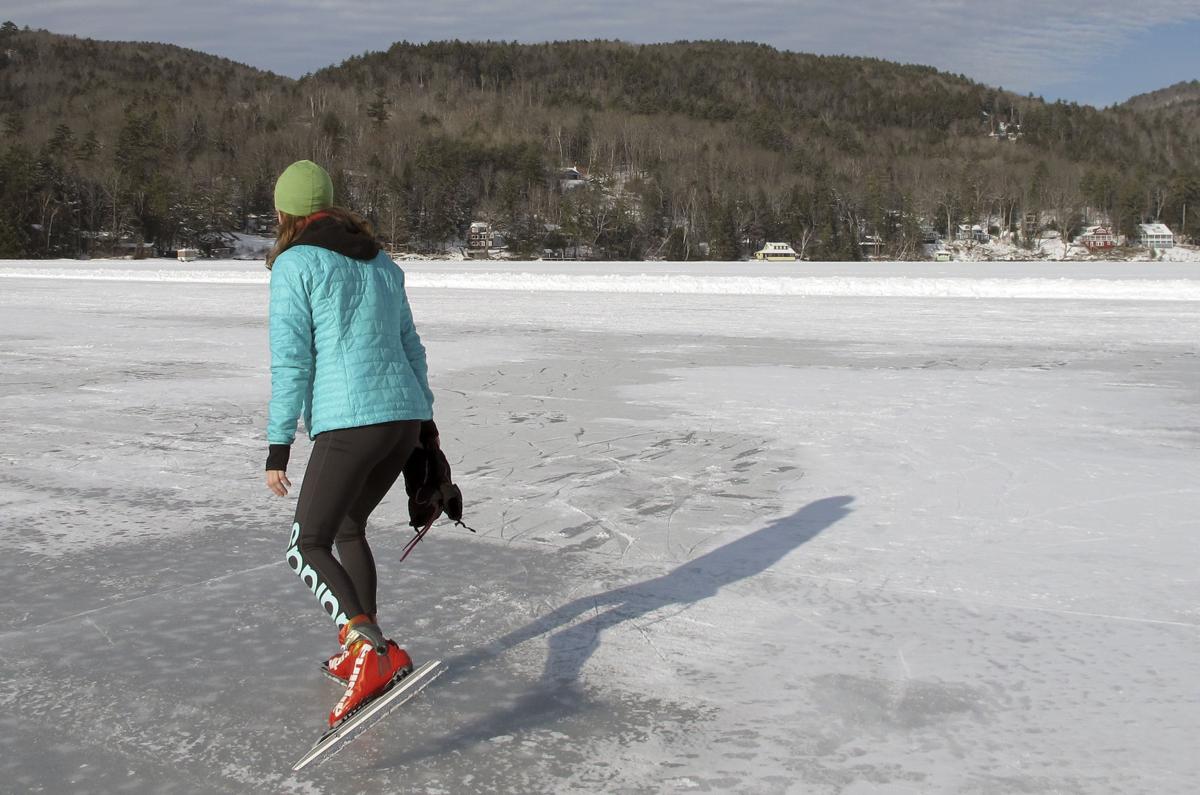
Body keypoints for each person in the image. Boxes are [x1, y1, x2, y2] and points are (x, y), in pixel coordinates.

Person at [264, 160, 438, 727]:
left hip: (352, 420)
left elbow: (292, 360)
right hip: (403, 419)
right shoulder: (382, 262)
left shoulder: (295, 263)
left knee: (305, 543)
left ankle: (369, 650)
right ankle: (374, 644)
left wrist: (277, 447)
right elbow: (412, 347)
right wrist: (427, 428)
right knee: (347, 527)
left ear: (284, 210)